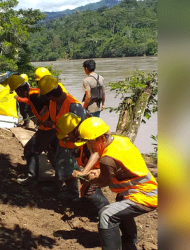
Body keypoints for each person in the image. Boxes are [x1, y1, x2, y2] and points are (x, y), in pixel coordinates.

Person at [76, 117, 157, 249]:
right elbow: (121, 169)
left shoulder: (107, 160)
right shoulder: (121, 140)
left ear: (102, 138)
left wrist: (89, 178)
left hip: (145, 196)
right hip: (146, 188)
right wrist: (98, 172)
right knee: (120, 204)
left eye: (90, 142)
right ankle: (129, 240)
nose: (88, 146)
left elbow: (104, 181)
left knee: (106, 215)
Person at [38, 75, 88, 201]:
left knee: (68, 168)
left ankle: (73, 194)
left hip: (72, 144)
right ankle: (57, 187)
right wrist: (51, 124)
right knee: (58, 162)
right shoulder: (54, 102)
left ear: (50, 95)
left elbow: (83, 128)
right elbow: (60, 120)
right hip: (61, 140)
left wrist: (73, 138)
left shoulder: (74, 106)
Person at [57, 113, 110, 212]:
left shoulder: (89, 136)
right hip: (95, 168)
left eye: (68, 133)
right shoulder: (79, 138)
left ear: (75, 129)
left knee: (90, 191)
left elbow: (96, 153)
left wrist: (84, 172)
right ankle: (90, 208)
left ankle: (107, 213)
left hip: (103, 168)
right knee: (85, 190)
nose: (66, 137)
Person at [8, 75, 55, 186]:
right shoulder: (33, 93)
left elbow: (52, 103)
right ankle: (59, 181)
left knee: (30, 150)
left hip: (48, 129)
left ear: (19, 90)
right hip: (52, 128)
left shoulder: (34, 96)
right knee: (53, 152)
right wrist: (41, 119)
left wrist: (50, 120)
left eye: (16, 90)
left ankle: (32, 178)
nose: (16, 92)